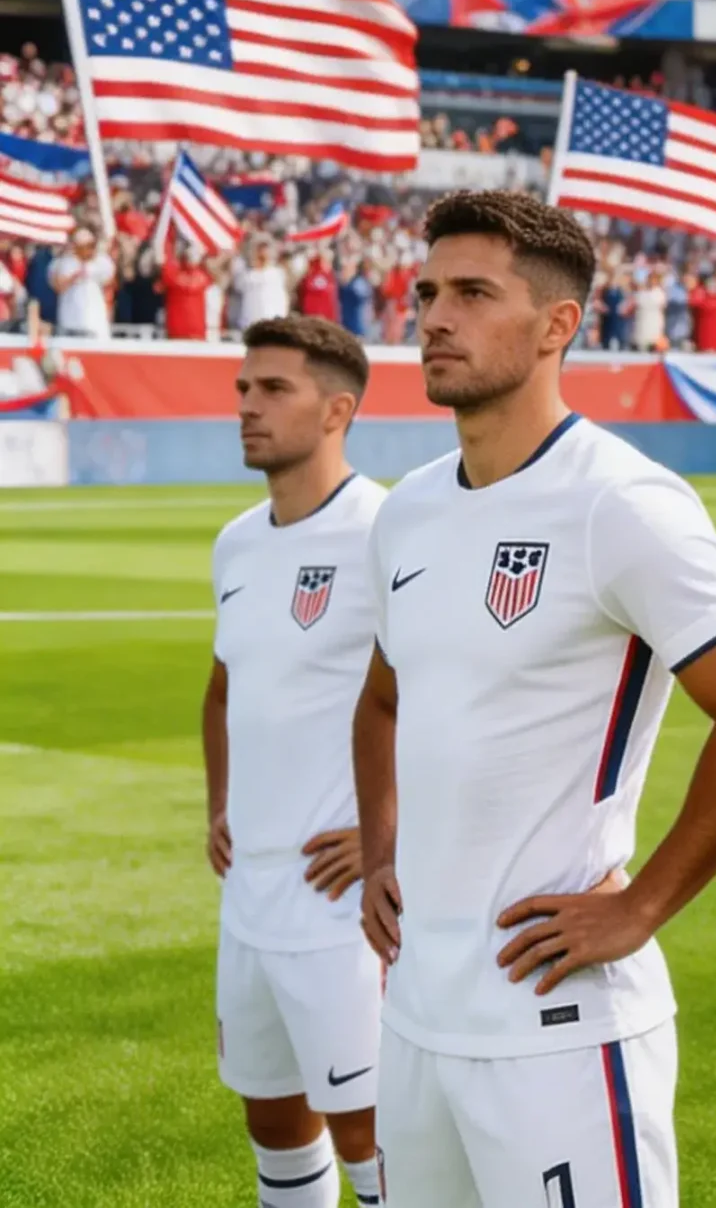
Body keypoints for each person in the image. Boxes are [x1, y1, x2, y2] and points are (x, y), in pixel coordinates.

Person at [353, 190, 716, 1204]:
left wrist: (642, 904)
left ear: (557, 326)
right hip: (417, 1011)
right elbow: (381, 700)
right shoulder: (407, 512)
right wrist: (380, 846)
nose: (434, 318)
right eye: (426, 293)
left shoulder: (620, 503)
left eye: (470, 293)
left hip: (558, 1023)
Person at [206, 315, 389, 1208]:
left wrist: (391, 833)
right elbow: (221, 688)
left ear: (336, 410)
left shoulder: (388, 531)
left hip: (340, 905)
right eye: (244, 388)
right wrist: (220, 807)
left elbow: (445, 700)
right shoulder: (236, 543)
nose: (246, 406)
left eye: (273, 390)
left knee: (368, 1125)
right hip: (250, 896)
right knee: (272, 1115)